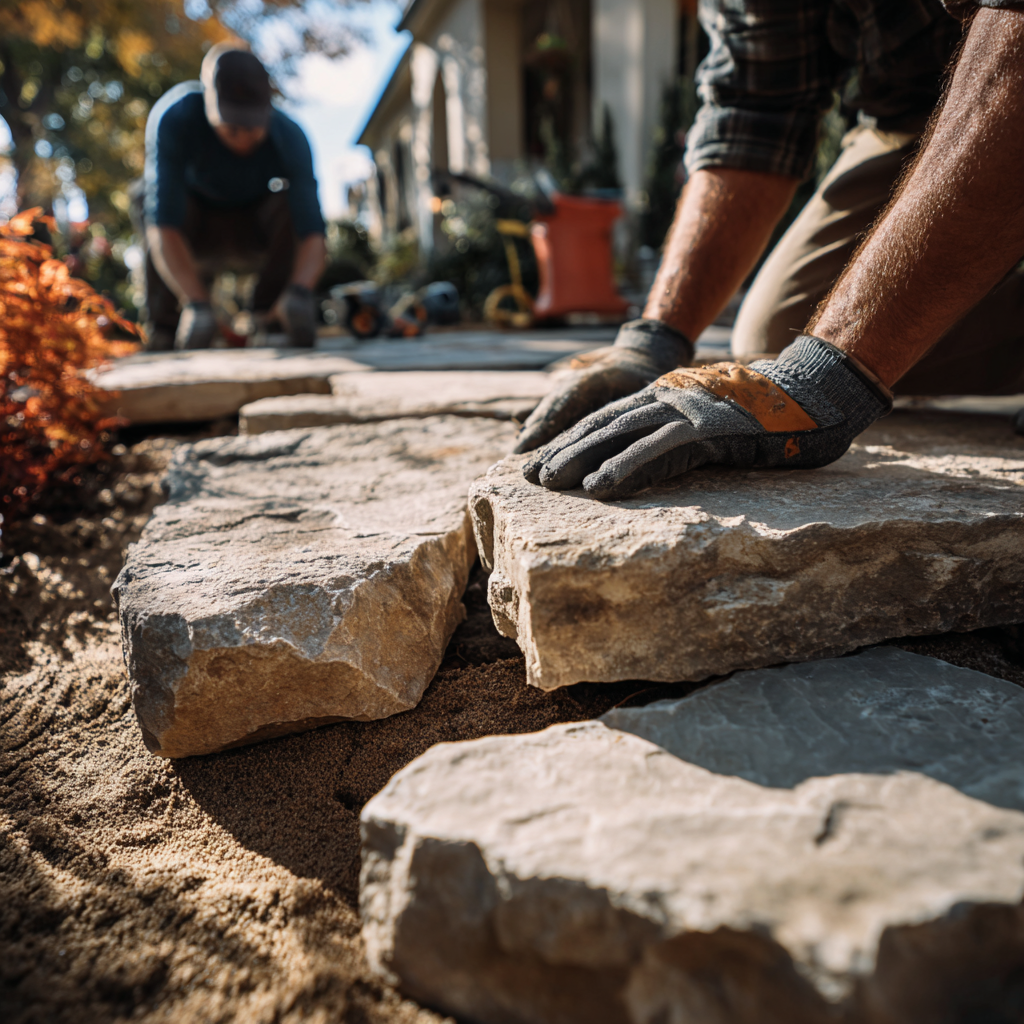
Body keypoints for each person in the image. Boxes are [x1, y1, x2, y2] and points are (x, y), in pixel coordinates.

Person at [519, 1, 1024, 499]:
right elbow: (753, 107)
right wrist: (654, 342)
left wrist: (828, 384)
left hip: (1007, 72)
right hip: (920, 114)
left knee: (828, 356)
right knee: (781, 331)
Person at [140, 43, 326, 350]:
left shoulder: (290, 136)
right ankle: (166, 326)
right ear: (207, 102)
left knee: (287, 201)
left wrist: (300, 291)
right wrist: (197, 303)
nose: (243, 137)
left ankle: (270, 316)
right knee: (145, 198)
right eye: (232, 127)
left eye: (252, 126)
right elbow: (164, 225)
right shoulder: (175, 118)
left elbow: (313, 233)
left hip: (253, 233)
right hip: (194, 235)